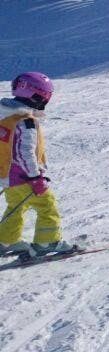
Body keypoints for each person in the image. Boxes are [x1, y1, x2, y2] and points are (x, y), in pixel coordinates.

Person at [0, 72, 75, 258]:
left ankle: (6, 240)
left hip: (7, 175)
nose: (45, 102)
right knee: (47, 205)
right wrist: (35, 177)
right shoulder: (26, 122)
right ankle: (47, 242)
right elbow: (25, 152)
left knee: (16, 206)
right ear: (35, 96)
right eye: (45, 98)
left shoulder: (5, 116)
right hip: (25, 176)